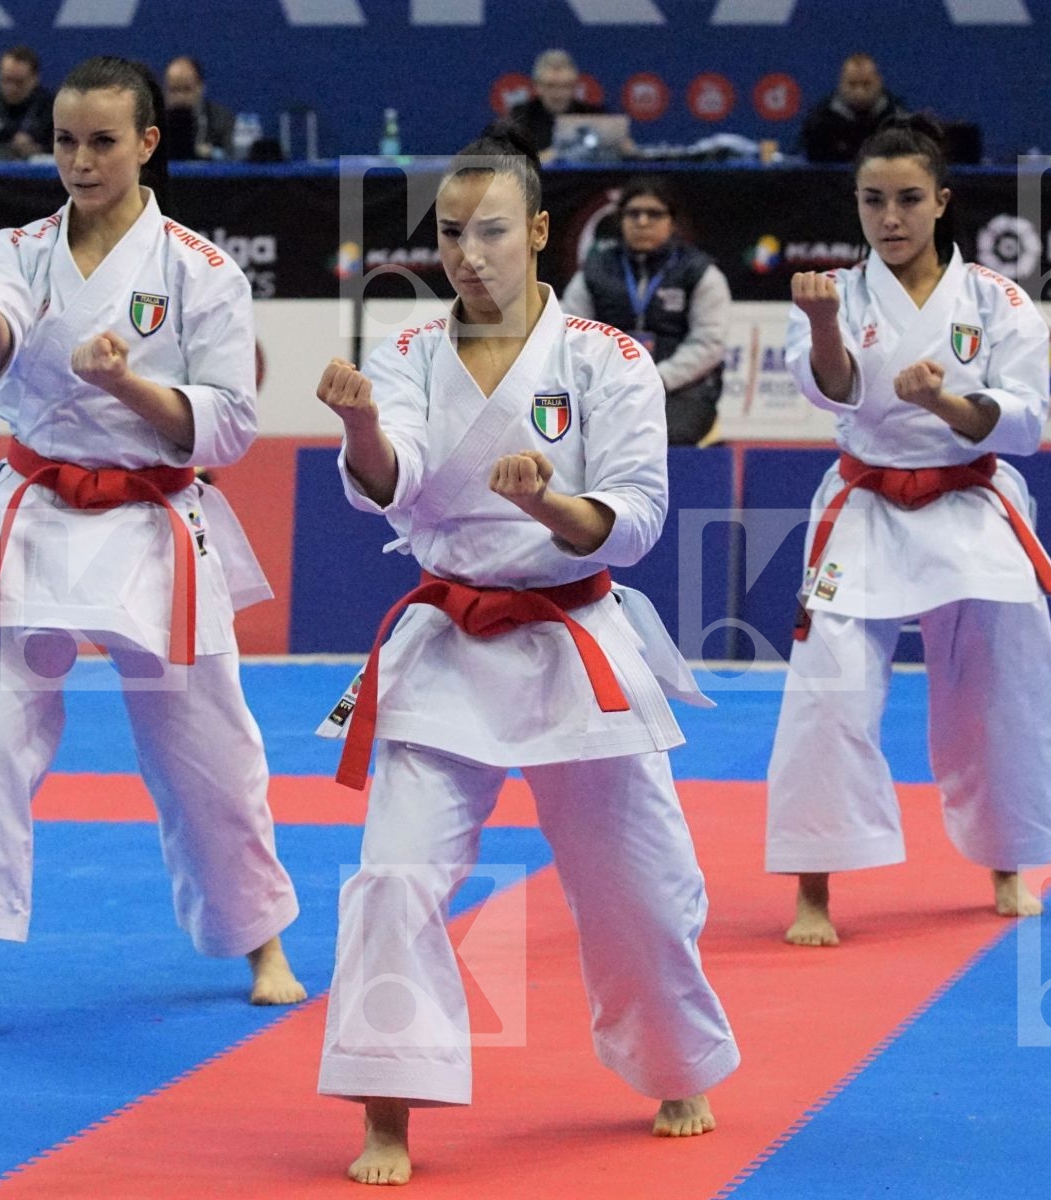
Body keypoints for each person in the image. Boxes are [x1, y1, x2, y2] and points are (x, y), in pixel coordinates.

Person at [314, 131, 738, 1186]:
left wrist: (548, 503)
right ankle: (387, 1108)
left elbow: (639, 515)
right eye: (451, 233)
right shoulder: (407, 357)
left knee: (637, 884)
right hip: (449, 641)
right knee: (393, 876)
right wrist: (362, 431)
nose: (468, 253)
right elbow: (394, 476)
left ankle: (676, 1062)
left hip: (570, 634)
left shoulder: (610, 358)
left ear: (540, 233)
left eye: (491, 230)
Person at [0, 55, 305, 1045]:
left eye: (104, 142)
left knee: (208, 747)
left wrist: (127, 389)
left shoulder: (201, 271)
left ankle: (261, 943)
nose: (81, 161)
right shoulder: (16, 250)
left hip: (154, 525)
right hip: (33, 514)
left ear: (148, 143)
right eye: (67, 142)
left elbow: (231, 426)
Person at [765, 115, 1051, 948]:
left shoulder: (998, 303)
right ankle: (815, 890)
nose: (889, 217)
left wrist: (942, 402)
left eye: (907, 199)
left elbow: (1026, 424)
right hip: (864, 504)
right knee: (827, 688)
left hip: (969, 502)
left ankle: (1008, 862)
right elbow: (831, 390)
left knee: (1005, 679)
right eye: (872, 201)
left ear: (942, 202)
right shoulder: (831, 291)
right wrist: (825, 324)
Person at [561, 177, 732, 445]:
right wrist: (606, 383)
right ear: (620, 220)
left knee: (656, 436)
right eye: (633, 213)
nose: (642, 222)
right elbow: (569, 334)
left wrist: (657, 379)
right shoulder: (594, 271)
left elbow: (709, 343)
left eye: (653, 214)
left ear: (671, 222)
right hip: (608, 388)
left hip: (677, 390)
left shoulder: (700, 273)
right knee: (573, 435)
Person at [501, 49, 605, 162]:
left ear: (575, 86)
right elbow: (506, 162)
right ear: (537, 86)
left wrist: (625, 149)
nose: (558, 93)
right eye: (551, 86)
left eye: (565, 86)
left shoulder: (593, 114)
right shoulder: (519, 117)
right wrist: (544, 157)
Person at [799, 53, 904, 164]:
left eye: (866, 84)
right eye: (852, 84)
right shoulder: (819, 121)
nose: (859, 92)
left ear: (879, 82)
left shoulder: (897, 117)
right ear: (841, 84)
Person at [163, 55, 235, 161]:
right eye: (174, 90)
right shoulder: (153, 120)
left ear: (200, 87)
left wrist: (213, 153)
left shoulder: (220, 118)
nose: (180, 97)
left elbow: (233, 156)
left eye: (187, 89)